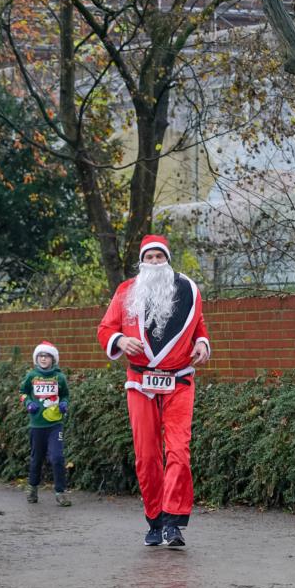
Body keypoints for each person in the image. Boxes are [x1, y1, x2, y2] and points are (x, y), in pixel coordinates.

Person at [97, 234, 210, 548]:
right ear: (142, 262)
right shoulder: (126, 291)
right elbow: (106, 329)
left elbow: (197, 323)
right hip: (140, 382)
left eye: (160, 257)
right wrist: (119, 341)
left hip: (179, 381)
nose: (155, 262)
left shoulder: (187, 289)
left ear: (168, 260)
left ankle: (174, 522)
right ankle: (155, 520)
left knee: (178, 451)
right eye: (150, 258)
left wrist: (202, 342)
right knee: (147, 456)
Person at [20, 340, 71, 506]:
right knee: (37, 459)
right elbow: (23, 392)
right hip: (37, 425)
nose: (43, 359)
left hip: (55, 425)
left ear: (53, 359)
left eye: (47, 356)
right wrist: (28, 403)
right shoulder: (31, 376)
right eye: (40, 356)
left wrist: (64, 404)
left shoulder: (60, 377)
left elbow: (65, 395)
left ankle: (60, 492)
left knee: (57, 458)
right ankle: (32, 488)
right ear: (36, 358)